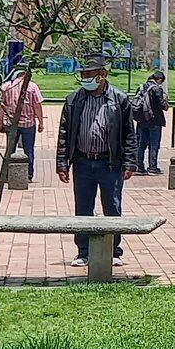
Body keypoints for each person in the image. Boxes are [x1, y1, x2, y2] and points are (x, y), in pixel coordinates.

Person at [56, 55, 139, 266]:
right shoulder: (73, 100)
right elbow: (64, 134)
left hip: (109, 163)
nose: (85, 78)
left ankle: (113, 252)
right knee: (83, 208)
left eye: (89, 74)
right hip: (82, 162)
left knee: (112, 207)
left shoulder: (119, 99)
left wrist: (130, 162)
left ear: (102, 75)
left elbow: (129, 133)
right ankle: (83, 252)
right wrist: (62, 164)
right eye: (83, 74)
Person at [0, 69, 44, 181]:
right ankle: (28, 175)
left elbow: (1, 106)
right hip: (28, 123)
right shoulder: (32, 87)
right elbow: (37, 106)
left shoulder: (6, 86)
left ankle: (7, 174)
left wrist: (0, 123)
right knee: (29, 150)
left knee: (10, 150)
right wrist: (41, 122)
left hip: (11, 123)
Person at [131, 70, 169, 175]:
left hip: (142, 120)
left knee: (141, 144)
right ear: (159, 80)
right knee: (154, 144)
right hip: (154, 120)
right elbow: (161, 105)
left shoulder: (141, 87)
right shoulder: (157, 89)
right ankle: (152, 166)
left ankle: (139, 166)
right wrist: (165, 101)